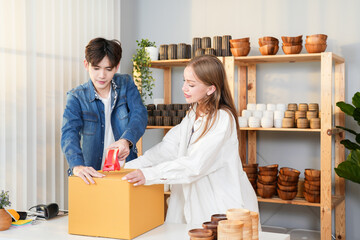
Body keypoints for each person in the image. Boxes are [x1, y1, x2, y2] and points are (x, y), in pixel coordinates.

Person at [123, 55, 259, 224]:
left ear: (211, 89)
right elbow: (168, 148)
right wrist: (125, 167)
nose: (183, 88)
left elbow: (195, 165)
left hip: (218, 204)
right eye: (184, 81)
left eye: (191, 84)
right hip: (191, 199)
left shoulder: (222, 119)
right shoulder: (194, 112)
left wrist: (148, 174)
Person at [61, 37, 147, 184]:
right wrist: (77, 166)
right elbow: (69, 133)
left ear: (116, 66)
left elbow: (139, 114)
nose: (102, 75)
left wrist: (126, 140)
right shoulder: (76, 97)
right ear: (86, 65)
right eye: (96, 68)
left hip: (126, 171)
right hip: (92, 175)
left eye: (108, 69)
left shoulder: (126, 84)